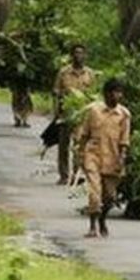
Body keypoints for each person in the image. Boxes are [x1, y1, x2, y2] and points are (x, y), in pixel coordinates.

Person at [77, 78, 131, 238]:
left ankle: (102, 220)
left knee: (110, 196)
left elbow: (124, 140)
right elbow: (84, 134)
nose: (118, 96)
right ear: (106, 94)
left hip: (113, 158)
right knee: (95, 192)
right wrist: (80, 154)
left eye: (120, 92)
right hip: (93, 155)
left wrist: (122, 158)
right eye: (114, 92)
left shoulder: (124, 115)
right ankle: (92, 226)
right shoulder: (94, 111)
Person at [52, 44, 97, 185]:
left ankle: (77, 174)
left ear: (85, 56)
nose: (79, 56)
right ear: (71, 55)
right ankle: (63, 175)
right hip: (66, 113)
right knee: (63, 146)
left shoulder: (90, 74)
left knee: (79, 145)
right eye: (76, 53)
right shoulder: (63, 73)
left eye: (81, 53)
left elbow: (93, 95)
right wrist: (56, 111)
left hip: (82, 115)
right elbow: (56, 92)